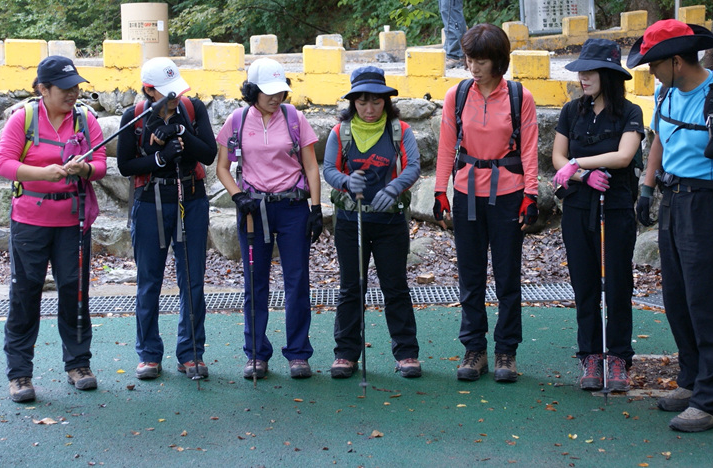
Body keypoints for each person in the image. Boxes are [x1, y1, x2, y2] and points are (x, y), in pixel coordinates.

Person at [627, 19, 713, 433]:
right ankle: (692, 382)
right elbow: (659, 141)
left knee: (709, 303)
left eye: (654, 65)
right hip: (674, 201)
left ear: (678, 61)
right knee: (678, 298)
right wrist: (647, 189)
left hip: (709, 206)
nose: (650, 72)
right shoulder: (667, 93)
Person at [0, 55, 107, 403]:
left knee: (75, 292)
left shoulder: (86, 119)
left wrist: (83, 169)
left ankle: (78, 365)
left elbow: (101, 165)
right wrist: (46, 173)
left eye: (76, 87)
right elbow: (4, 164)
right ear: (43, 89)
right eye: (65, 88)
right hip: (29, 222)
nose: (73, 93)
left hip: (72, 222)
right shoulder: (23, 119)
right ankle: (20, 374)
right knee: (25, 293)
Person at [433, 22, 539, 383]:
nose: (473, 67)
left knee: (508, 275)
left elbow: (528, 147)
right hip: (466, 193)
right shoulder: (457, 95)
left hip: (508, 193)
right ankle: (474, 348)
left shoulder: (518, 96)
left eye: (480, 60)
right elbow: (448, 145)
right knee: (471, 276)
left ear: (498, 61)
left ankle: (506, 352)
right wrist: (439, 193)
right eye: (469, 59)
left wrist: (531, 194)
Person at [215, 58, 323, 380]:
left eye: (280, 92)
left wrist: (316, 209)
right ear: (253, 90)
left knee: (297, 281)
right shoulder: (236, 121)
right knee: (254, 283)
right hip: (253, 211)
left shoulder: (294, 118)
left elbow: (312, 166)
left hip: (292, 208)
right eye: (268, 92)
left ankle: (299, 354)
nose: (276, 98)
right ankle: (256, 354)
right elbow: (222, 166)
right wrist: (237, 195)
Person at [552, 38, 644, 393]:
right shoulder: (571, 111)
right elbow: (558, 158)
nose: (583, 78)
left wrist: (579, 162)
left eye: (590, 72)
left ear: (608, 74)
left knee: (618, 282)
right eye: (581, 72)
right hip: (577, 206)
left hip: (616, 206)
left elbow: (623, 156)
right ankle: (590, 354)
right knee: (585, 283)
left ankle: (619, 355)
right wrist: (581, 174)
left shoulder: (629, 113)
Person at [116, 57, 217, 381]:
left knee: (193, 279)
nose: (173, 98)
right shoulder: (133, 117)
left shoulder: (192, 108)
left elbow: (208, 153)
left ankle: (191, 354)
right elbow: (126, 166)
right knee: (149, 280)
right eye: (166, 94)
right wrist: (159, 156)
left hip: (191, 198)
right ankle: (149, 354)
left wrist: (181, 134)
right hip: (150, 202)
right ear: (149, 90)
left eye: (175, 91)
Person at [323, 66, 422, 379]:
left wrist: (394, 188)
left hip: (390, 222)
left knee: (395, 287)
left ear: (386, 102)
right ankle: (345, 354)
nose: (369, 109)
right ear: (353, 102)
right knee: (352, 288)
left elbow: (413, 166)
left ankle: (406, 353)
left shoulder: (400, 131)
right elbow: (328, 168)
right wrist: (346, 181)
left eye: (376, 102)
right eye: (362, 102)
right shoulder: (340, 133)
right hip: (351, 221)